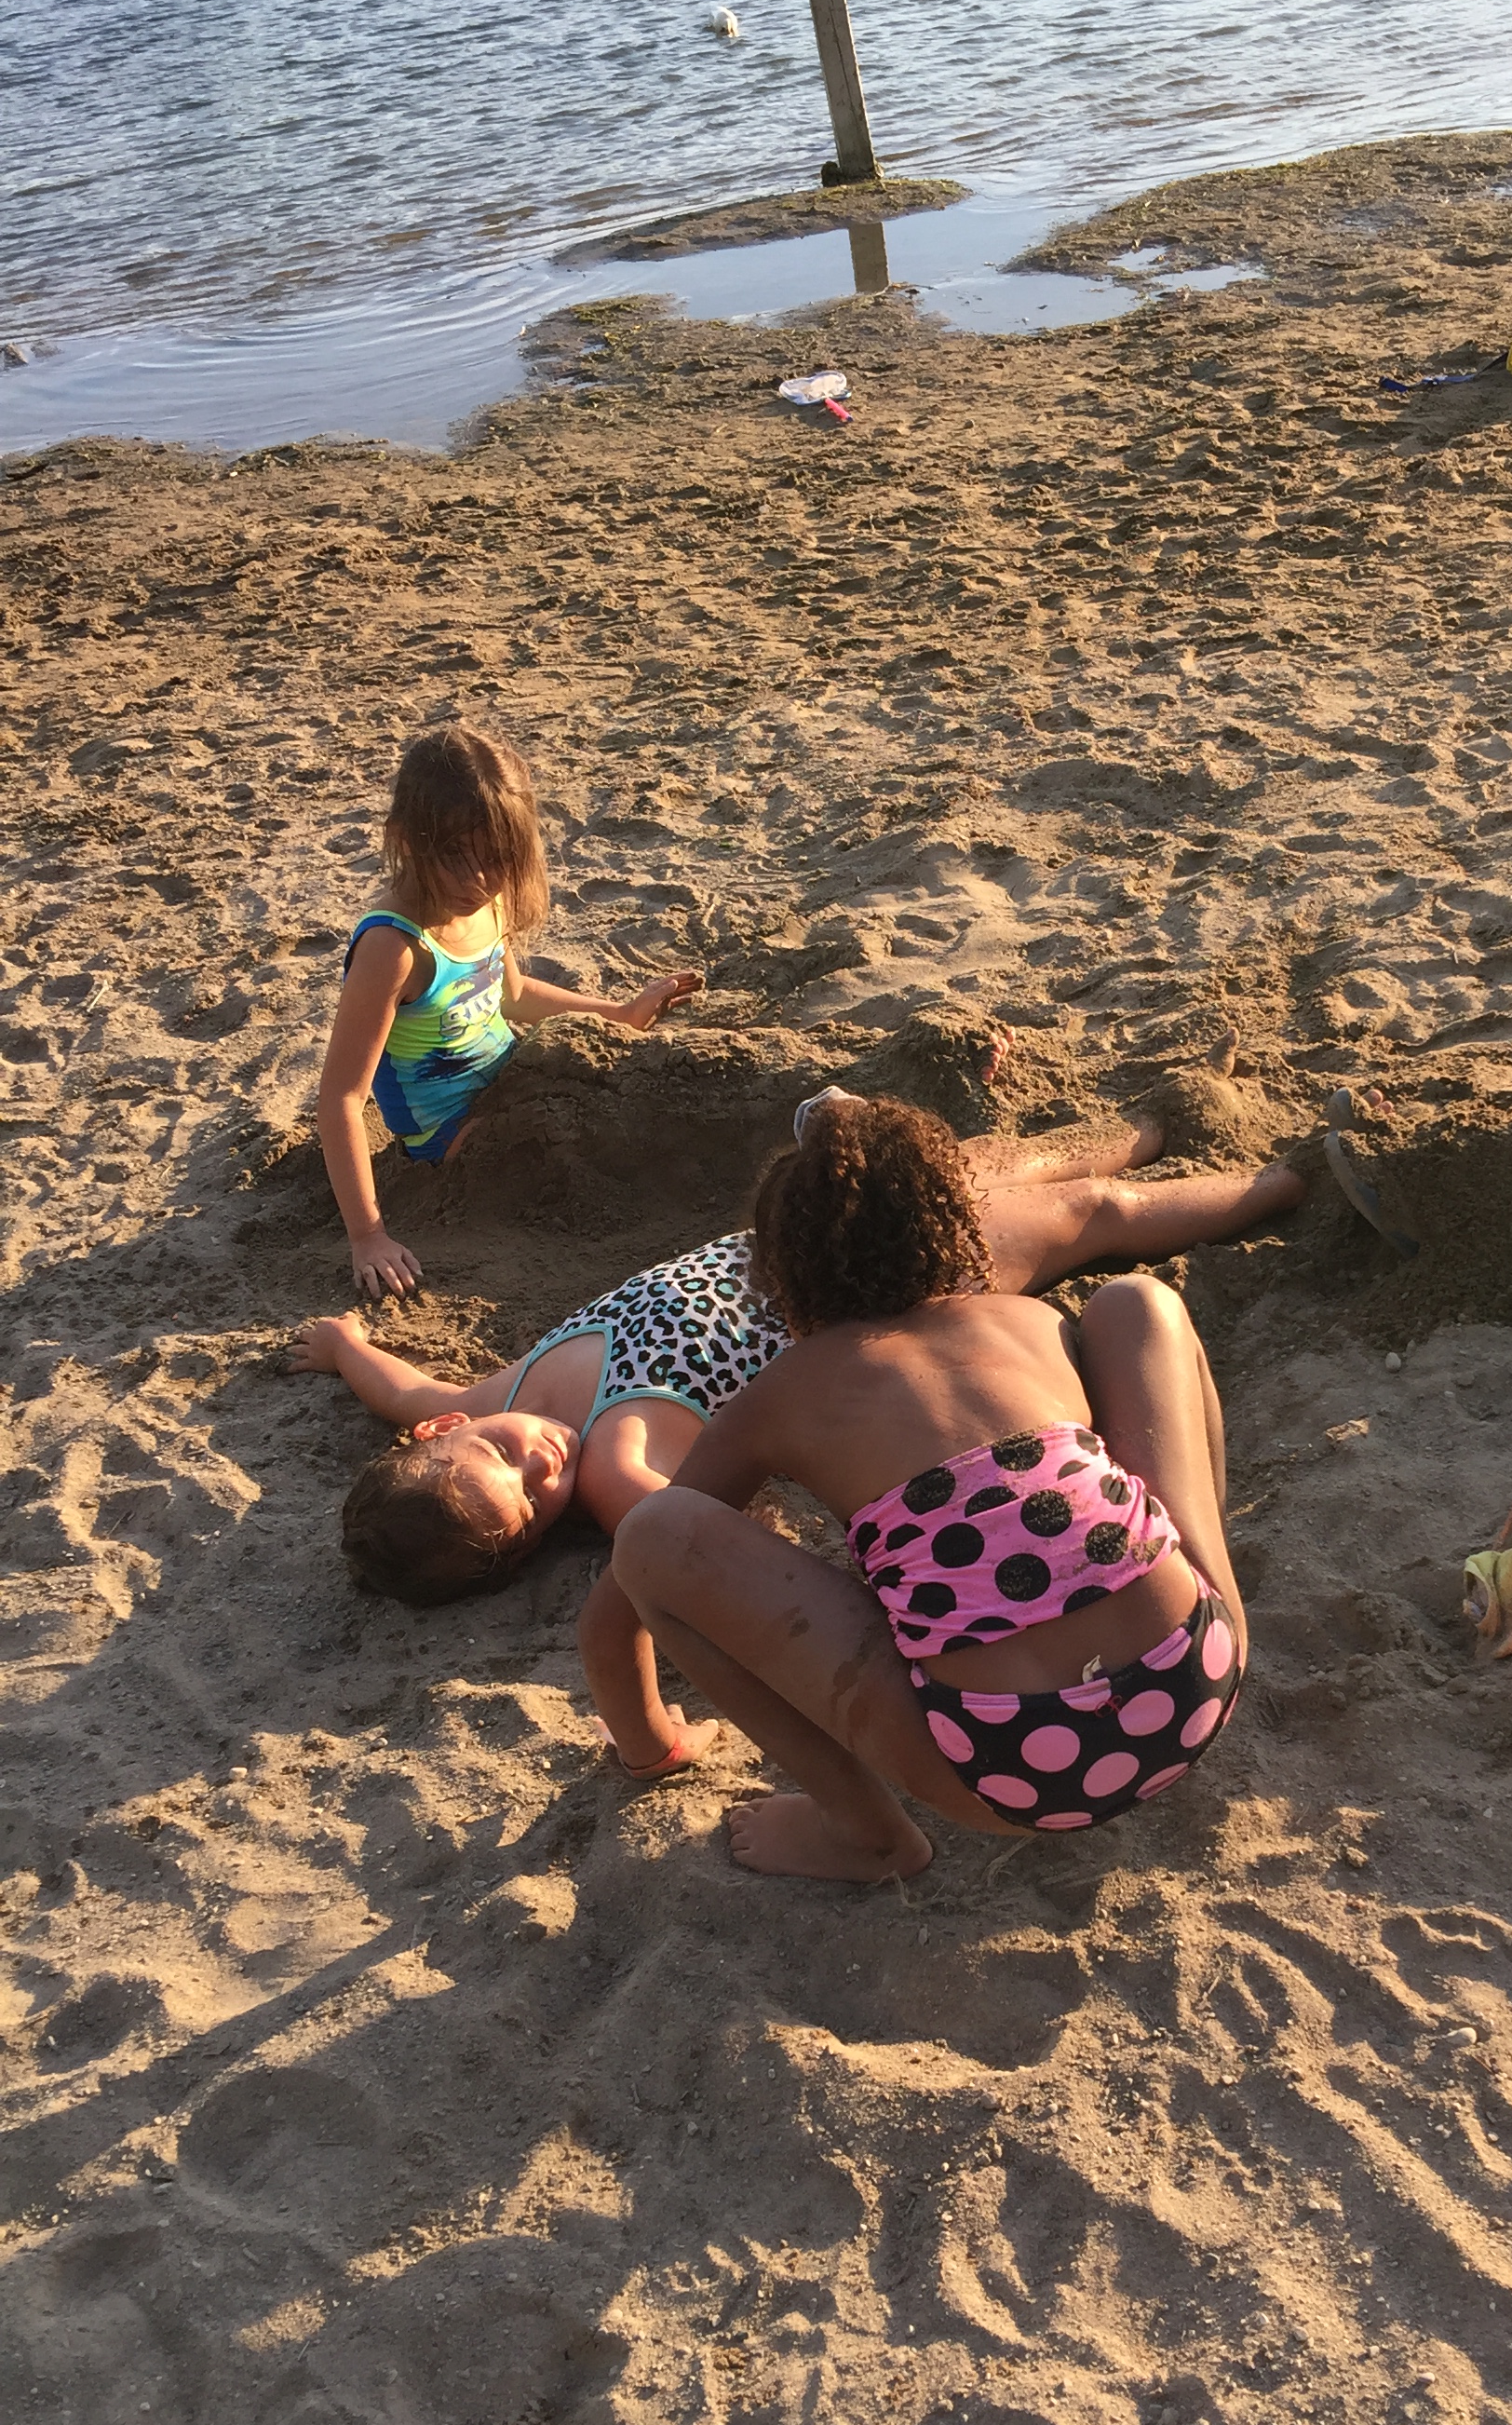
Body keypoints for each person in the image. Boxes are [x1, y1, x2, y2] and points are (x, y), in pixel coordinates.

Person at [290, 1100, 1302, 1782]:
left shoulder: (485, 1392)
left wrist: (343, 1347)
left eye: (499, 1455)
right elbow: (675, 1532)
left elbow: (401, 1386)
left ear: (447, 1430)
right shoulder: (610, 1458)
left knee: (976, 1169)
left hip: (821, 1238)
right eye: (533, 1503)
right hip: (870, 1288)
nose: (541, 1462)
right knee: (1085, 1215)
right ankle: (1280, 1181)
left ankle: (1131, 1129)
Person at [603, 1094, 1253, 1882]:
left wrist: (648, 1745)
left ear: (777, 1275)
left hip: (1011, 1776)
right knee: (1139, 1304)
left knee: (655, 1533)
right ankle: (1204, 1588)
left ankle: (865, 1834)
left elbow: (618, 1605)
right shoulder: (1028, 1322)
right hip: (1199, 1681)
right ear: (959, 1223)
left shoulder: (776, 1398)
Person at [317, 724, 702, 1298]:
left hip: (512, 1082)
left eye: (496, 858)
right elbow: (342, 1097)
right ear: (405, 839)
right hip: (453, 1139)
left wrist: (618, 1013)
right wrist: (368, 1236)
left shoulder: (487, 903)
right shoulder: (392, 948)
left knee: (631, 1089)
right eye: (454, 855)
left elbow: (513, 995)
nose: (477, 879)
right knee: (582, 1138)